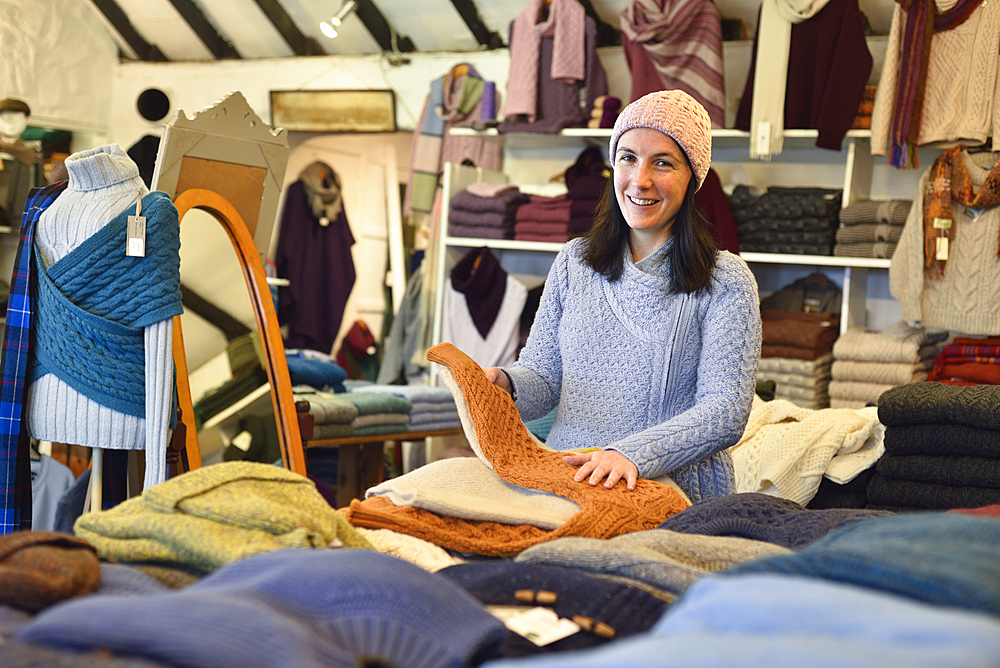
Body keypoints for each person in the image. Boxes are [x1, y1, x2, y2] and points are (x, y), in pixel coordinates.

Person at [484, 90, 762, 503]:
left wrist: (630, 455)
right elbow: (544, 377)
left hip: (666, 489)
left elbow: (725, 413)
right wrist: (504, 383)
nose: (640, 179)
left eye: (663, 163)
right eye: (628, 158)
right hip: (567, 476)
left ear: (693, 177)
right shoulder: (574, 262)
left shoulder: (725, 280)